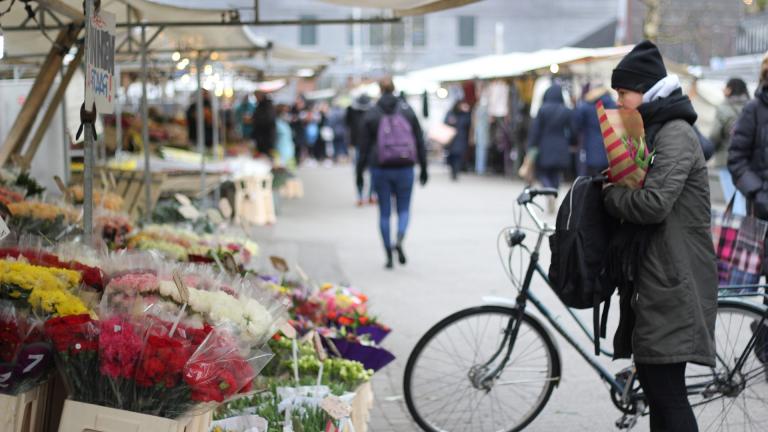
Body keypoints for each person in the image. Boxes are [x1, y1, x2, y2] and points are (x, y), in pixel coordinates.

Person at [605, 40, 717, 432]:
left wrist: (610, 194)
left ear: (646, 89)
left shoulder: (673, 134)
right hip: (658, 276)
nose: (618, 101)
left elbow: (653, 204)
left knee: (667, 393)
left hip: (674, 279)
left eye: (623, 93)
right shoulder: (651, 130)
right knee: (656, 389)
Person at [357, 78, 428, 269]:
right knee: (404, 209)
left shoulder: (371, 113)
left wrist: (359, 174)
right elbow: (419, 140)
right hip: (405, 167)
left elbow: (362, 147)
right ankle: (400, 237)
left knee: (385, 213)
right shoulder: (407, 110)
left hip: (380, 168)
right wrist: (424, 168)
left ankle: (388, 254)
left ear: (379, 90)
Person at [728, 51, 768, 306]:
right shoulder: (754, 109)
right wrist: (759, 193)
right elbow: (736, 158)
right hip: (764, 213)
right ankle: (762, 338)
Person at [528, 84, 574, 211]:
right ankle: (553, 193)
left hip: (545, 145)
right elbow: (573, 130)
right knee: (556, 174)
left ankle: (548, 193)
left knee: (542, 172)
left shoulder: (543, 109)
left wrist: (531, 145)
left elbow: (535, 131)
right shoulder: (566, 110)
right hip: (561, 145)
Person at [712, 78, 750, 215]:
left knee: (731, 195)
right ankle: (745, 230)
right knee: (743, 197)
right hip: (747, 159)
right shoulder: (751, 106)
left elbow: (715, 134)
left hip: (725, 158)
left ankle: (735, 230)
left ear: (731, 89)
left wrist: (711, 148)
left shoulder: (723, 107)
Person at [572, 84, 617, 176]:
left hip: (590, 148)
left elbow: (576, 125)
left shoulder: (586, 106)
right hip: (611, 150)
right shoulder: (614, 106)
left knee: (591, 178)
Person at [347, 94, 376, 205]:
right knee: (361, 171)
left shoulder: (372, 112)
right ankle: (362, 195)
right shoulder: (352, 111)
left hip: (367, 146)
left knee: (369, 171)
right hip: (360, 145)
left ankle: (370, 194)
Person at [444, 100, 473, 181]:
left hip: (461, 138)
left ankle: (455, 172)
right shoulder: (451, 113)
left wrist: (467, 112)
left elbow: (468, 124)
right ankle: (453, 170)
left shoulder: (465, 114)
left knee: (458, 156)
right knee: (452, 155)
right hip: (451, 138)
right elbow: (445, 122)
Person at [252, 91, 276, 158]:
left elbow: (268, 120)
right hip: (261, 137)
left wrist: (254, 119)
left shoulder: (267, 106)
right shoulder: (260, 105)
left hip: (266, 137)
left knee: (265, 156)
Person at [274, 104, 296, 168]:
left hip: (288, 149)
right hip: (281, 149)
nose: (287, 114)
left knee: (289, 168)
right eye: (285, 111)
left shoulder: (285, 123)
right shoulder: (277, 123)